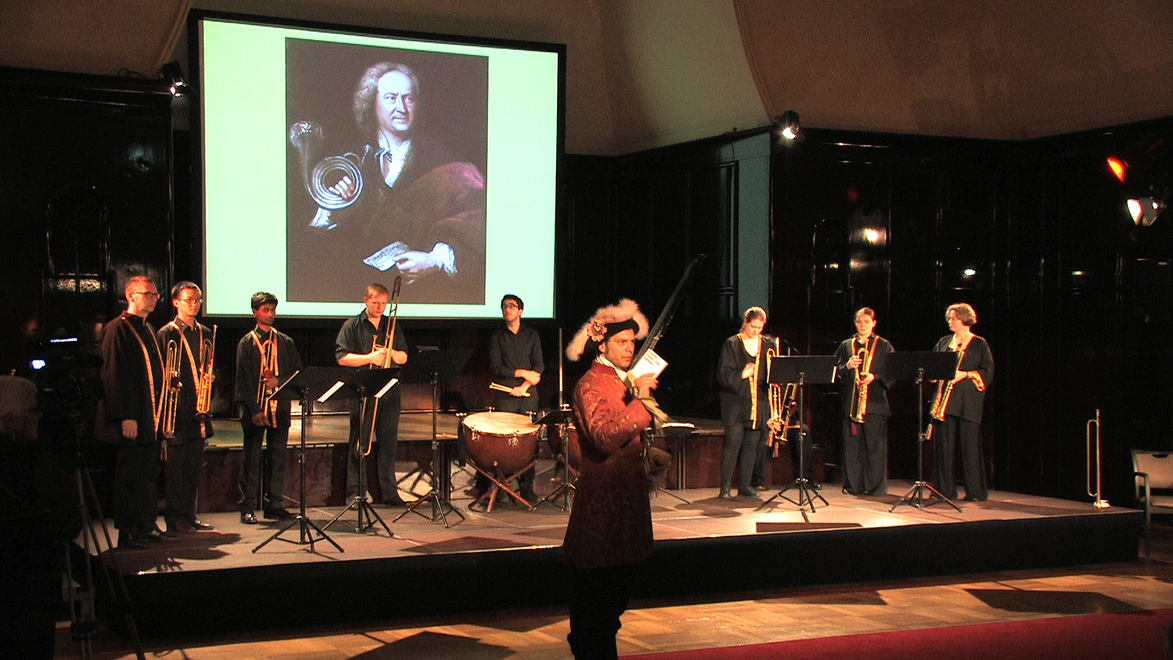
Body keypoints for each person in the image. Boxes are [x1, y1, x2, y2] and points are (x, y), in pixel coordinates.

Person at [305, 62, 486, 303]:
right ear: (372, 104)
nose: (401, 107)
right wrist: (334, 211)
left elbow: (472, 222)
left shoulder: (439, 159)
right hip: (352, 291)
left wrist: (434, 260)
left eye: (408, 98)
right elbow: (317, 247)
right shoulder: (351, 161)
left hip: (416, 294)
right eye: (391, 98)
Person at [562, 298, 658, 660]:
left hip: (625, 501)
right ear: (602, 345)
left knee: (613, 601)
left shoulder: (620, 380)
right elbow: (604, 437)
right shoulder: (591, 384)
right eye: (621, 342)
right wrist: (642, 402)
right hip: (603, 506)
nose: (629, 348)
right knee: (596, 605)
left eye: (632, 342)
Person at [96, 275, 175, 548]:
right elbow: (114, 375)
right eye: (148, 294)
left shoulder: (150, 329)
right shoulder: (117, 329)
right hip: (131, 417)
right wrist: (125, 415)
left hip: (151, 417)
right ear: (131, 296)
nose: (153, 299)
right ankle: (128, 531)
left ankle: (146, 524)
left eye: (155, 295)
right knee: (128, 476)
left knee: (147, 475)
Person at [336, 282, 409, 507]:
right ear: (366, 300)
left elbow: (404, 357)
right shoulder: (352, 325)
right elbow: (342, 358)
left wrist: (391, 352)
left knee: (388, 445)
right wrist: (369, 358)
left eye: (383, 304)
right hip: (363, 391)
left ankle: (389, 494)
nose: (380, 307)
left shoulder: (392, 325)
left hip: (389, 391)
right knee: (360, 444)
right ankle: (355, 494)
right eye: (376, 303)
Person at [234, 292, 303, 523]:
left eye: (273, 310)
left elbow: (297, 372)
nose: (270, 314)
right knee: (251, 459)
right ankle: (247, 506)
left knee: (277, 458)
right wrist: (254, 410)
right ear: (255, 312)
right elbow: (243, 380)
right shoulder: (247, 343)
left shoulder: (285, 342)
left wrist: (279, 381)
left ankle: (274, 504)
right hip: (256, 409)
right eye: (265, 310)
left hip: (279, 408)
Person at [157, 281, 215, 533]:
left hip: (198, 409)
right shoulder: (166, 333)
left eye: (197, 300)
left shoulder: (205, 333)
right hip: (176, 411)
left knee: (192, 468)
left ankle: (189, 514)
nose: (193, 304)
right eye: (188, 300)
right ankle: (174, 518)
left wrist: (211, 376)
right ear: (176, 302)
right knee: (175, 470)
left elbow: (209, 364)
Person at [480, 293, 543, 502]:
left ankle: (526, 487)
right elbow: (496, 367)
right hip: (505, 394)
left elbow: (539, 367)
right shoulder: (497, 336)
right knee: (504, 443)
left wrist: (524, 386)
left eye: (512, 306)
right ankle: (502, 487)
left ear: (520, 311)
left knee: (528, 442)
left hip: (528, 394)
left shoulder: (532, 335)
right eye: (504, 306)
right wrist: (522, 373)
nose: (507, 309)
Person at [930, 303, 994, 502]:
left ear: (964, 319)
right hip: (946, 403)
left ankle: (975, 492)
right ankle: (944, 491)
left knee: (970, 447)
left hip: (967, 402)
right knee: (944, 448)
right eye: (949, 318)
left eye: (954, 318)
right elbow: (934, 365)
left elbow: (987, 371)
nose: (950, 321)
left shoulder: (979, 344)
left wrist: (965, 374)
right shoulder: (944, 342)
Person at [717, 307, 780, 499]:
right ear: (746, 323)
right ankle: (725, 487)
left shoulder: (768, 344)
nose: (756, 331)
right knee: (732, 445)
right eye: (753, 327)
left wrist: (775, 378)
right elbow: (723, 374)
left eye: (760, 328)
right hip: (736, 404)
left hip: (758, 402)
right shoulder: (732, 344)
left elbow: (774, 370)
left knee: (751, 446)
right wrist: (742, 374)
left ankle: (745, 485)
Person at [833, 307, 895, 496]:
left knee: (875, 448)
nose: (863, 325)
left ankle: (875, 487)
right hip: (851, 404)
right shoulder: (846, 345)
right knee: (852, 449)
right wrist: (847, 366)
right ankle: (853, 486)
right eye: (859, 322)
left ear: (874, 324)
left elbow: (893, 371)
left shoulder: (884, 345)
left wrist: (874, 377)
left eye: (867, 322)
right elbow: (833, 371)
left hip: (874, 404)